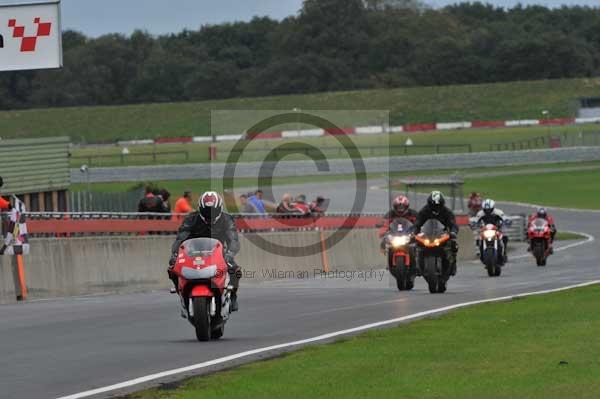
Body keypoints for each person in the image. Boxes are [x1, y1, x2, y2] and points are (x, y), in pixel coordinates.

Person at [169, 191, 241, 311]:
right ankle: (181, 293)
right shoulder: (191, 219)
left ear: (220, 208)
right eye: (206, 213)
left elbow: (233, 239)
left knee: (235, 269)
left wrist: (230, 254)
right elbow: (180, 238)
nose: (209, 216)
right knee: (172, 268)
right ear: (200, 209)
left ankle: (232, 296)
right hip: (193, 253)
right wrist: (175, 254)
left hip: (218, 253)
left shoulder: (227, 219)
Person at [414, 191, 459, 276]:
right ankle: (417, 266)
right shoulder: (424, 211)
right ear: (429, 204)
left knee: (454, 244)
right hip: (427, 235)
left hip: (442, 235)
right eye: (433, 206)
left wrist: (453, 232)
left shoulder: (447, 212)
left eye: (438, 206)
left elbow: (453, 224)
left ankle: (453, 264)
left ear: (442, 204)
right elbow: (417, 223)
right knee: (415, 245)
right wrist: (414, 233)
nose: (436, 208)